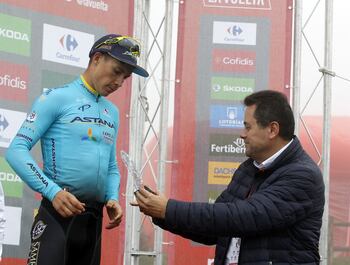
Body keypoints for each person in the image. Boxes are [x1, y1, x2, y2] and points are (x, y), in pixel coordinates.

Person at [133, 90, 325, 265]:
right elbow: (215, 229)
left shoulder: (303, 175)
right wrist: (160, 213)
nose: (242, 135)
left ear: (272, 130)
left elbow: (241, 216)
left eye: (248, 127)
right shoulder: (248, 169)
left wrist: (168, 208)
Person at [5, 34, 149, 265]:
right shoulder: (56, 98)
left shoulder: (111, 111)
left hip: (93, 223)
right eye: (116, 71)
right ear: (97, 59)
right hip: (56, 218)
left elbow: (111, 165)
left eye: (126, 77)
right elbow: (16, 150)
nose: (120, 82)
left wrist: (112, 197)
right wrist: (53, 192)